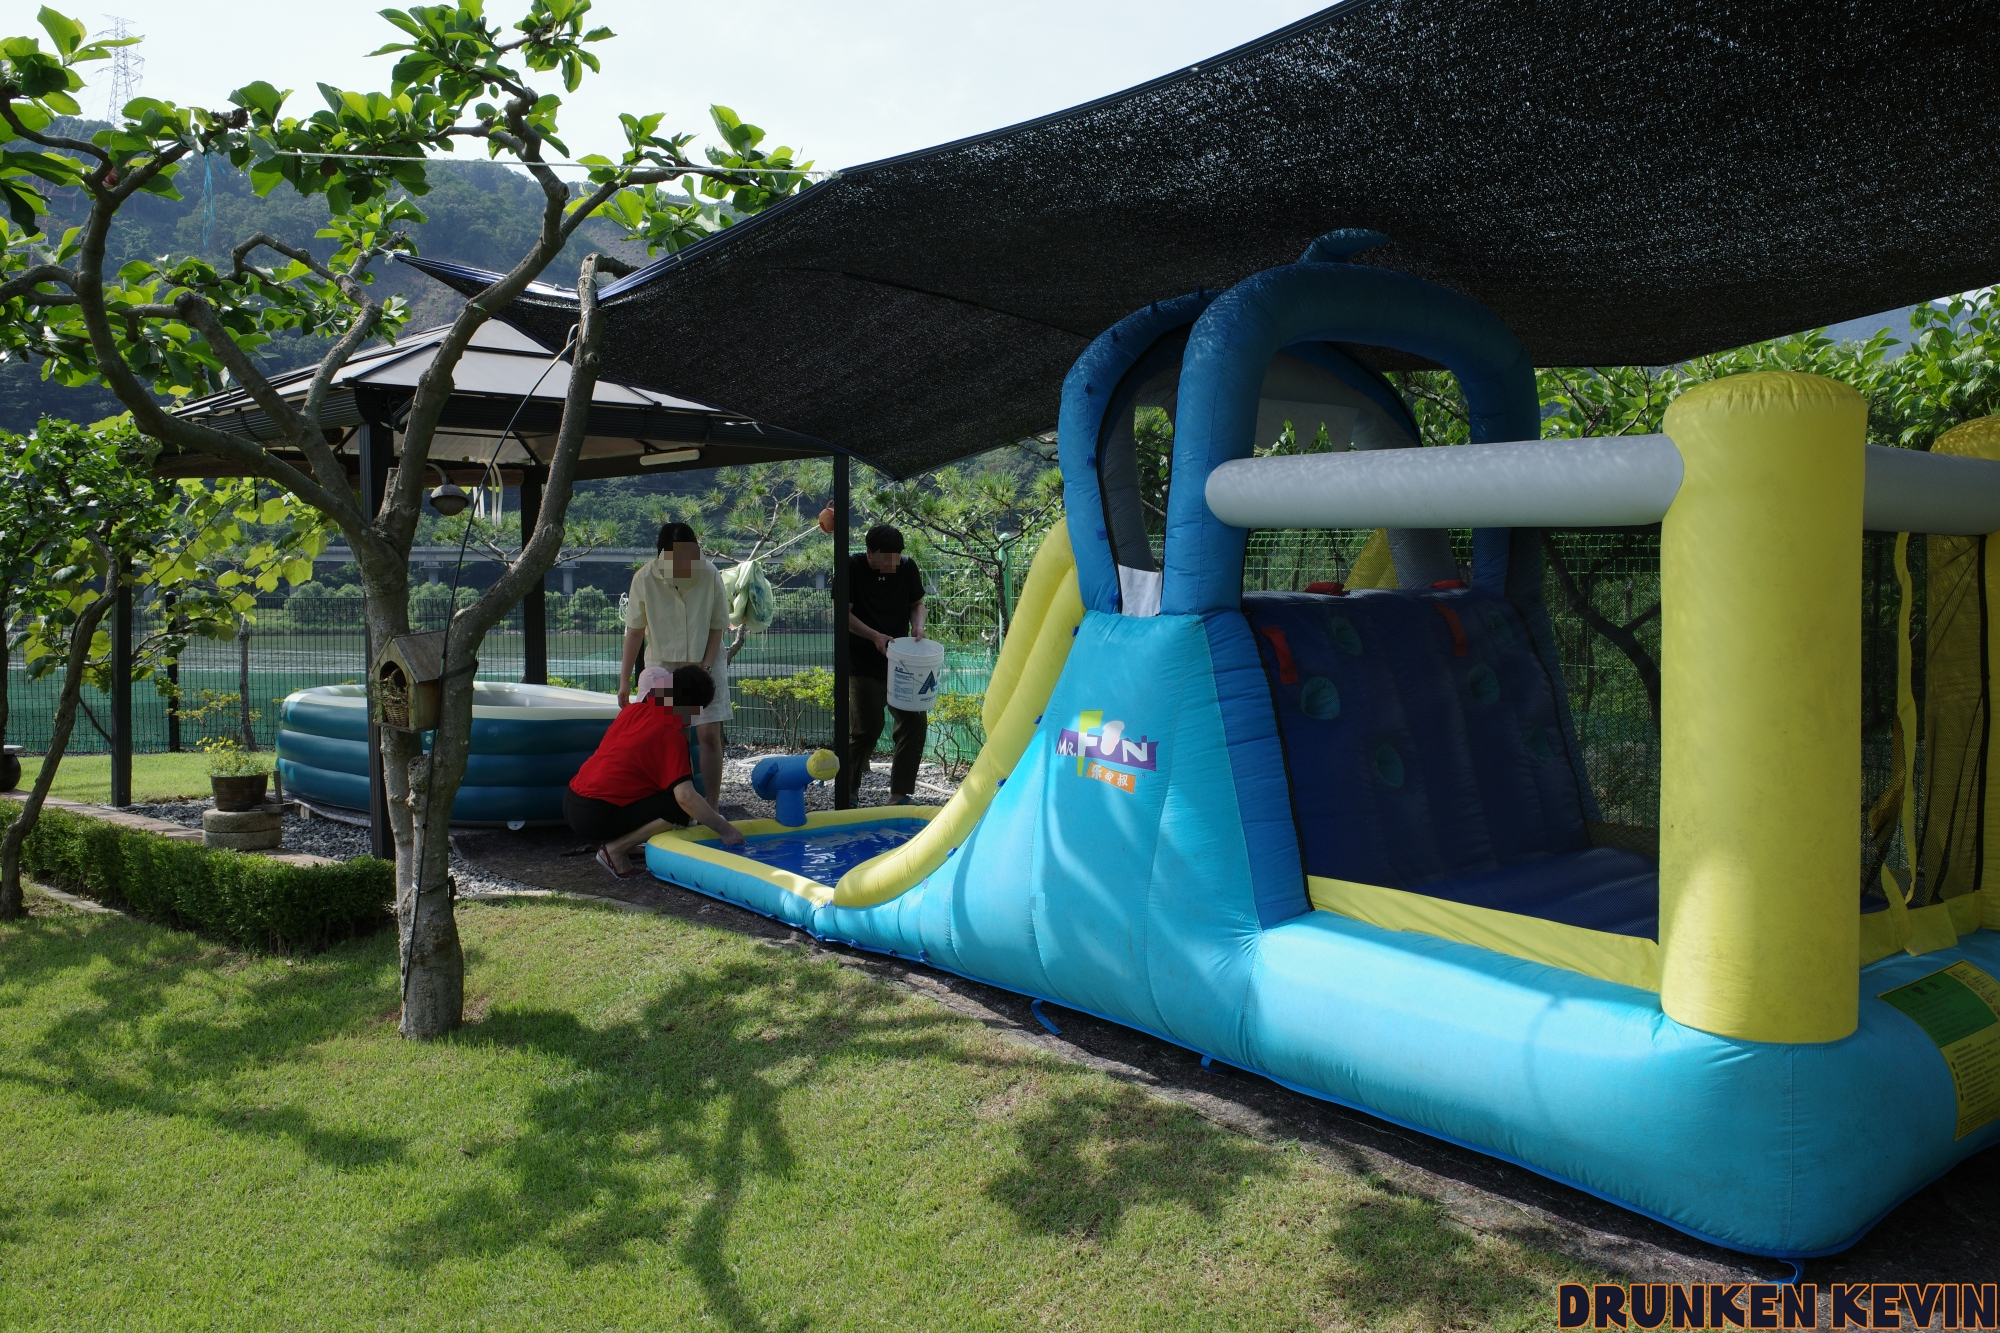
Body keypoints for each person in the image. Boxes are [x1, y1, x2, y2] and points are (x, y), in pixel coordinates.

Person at [567, 665, 743, 877]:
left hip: (573, 801)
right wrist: (726, 830)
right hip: (595, 815)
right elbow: (686, 798)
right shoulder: (670, 735)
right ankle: (615, 851)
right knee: (680, 808)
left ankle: (627, 843)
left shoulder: (634, 710)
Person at [620, 520, 730, 803]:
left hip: (706, 661)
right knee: (674, 738)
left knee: (708, 733)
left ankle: (712, 806)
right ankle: (681, 806)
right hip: (665, 666)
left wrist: (706, 669)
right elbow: (635, 631)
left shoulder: (709, 573)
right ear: (661, 556)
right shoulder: (645, 578)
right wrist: (624, 682)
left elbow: (717, 625)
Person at [844, 523, 928, 806]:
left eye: (896, 559)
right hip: (863, 662)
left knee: (914, 723)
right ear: (870, 553)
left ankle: (899, 794)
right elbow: (843, 614)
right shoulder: (852, 567)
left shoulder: (907, 566)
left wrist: (918, 626)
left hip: (901, 662)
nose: (893, 566)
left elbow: (917, 604)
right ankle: (848, 789)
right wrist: (874, 636)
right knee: (866, 729)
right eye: (886, 560)